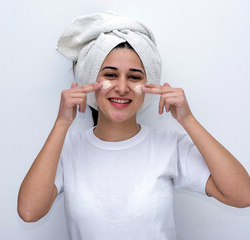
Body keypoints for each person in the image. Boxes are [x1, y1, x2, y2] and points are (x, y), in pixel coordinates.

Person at [17, 12, 250, 239]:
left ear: (150, 85)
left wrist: (187, 120)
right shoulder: (66, 148)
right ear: (89, 81)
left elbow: (242, 195)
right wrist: (61, 124)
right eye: (110, 74)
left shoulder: (170, 146)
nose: (121, 87)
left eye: (134, 77)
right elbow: (29, 212)